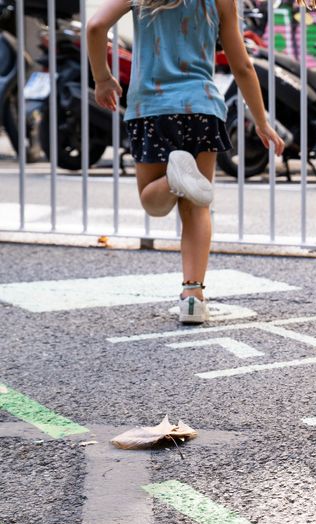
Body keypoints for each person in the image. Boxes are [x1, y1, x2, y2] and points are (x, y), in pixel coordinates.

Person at [87, 0, 282, 325]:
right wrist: (261, 122)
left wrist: (102, 78)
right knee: (196, 207)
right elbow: (243, 66)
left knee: (153, 202)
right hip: (202, 107)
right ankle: (193, 297)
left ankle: (171, 180)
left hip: (152, 108)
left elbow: (95, 26)